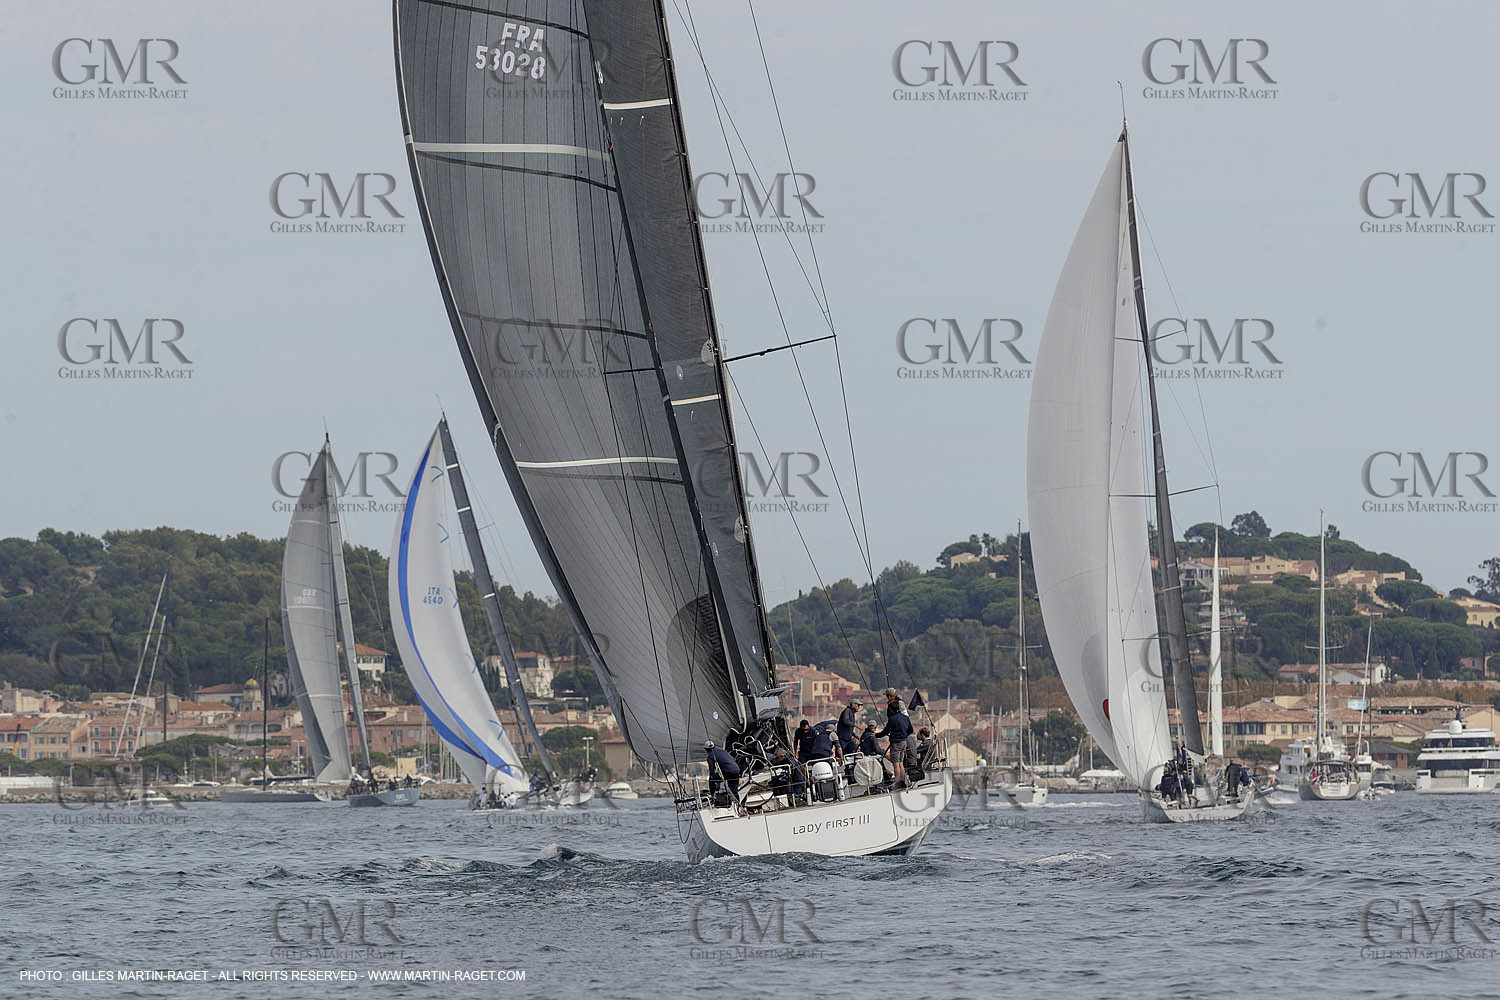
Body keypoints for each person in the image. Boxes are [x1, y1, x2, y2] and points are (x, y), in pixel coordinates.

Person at [875, 708, 915, 785]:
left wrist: (877, 735)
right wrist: (904, 735)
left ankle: (898, 782)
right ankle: (903, 781)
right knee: (901, 763)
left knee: (896, 764)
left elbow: (885, 731)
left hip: (896, 743)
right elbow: (911, 730)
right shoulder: (905, 717)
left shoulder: (892, 719)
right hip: (904, 742)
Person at [704, 740, 742, 804]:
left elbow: (711, 771)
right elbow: (732, 760)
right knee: (734, 790)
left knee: (712, 779)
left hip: (728, 771)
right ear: (714, 747)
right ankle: (739, 805)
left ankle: (713, 796)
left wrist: (713, 780)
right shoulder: (723, 751)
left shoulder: (710, 756)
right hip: (736, 770)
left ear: (706, 749)